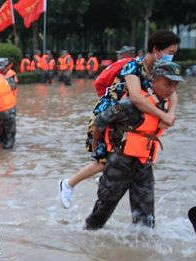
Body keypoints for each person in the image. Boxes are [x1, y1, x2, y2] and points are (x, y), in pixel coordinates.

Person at [59, 31, 180, 209]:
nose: (171, 57)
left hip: (126, 122)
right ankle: (68, 184)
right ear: (156, 49)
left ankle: (103, 178)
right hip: (108, 116)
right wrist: (163, 115)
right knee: (103, 160)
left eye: (174, 54)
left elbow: (173, 93)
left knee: (124, 156)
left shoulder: (157, 70)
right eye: (170, 53)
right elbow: (136, 98)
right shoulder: (133, 67)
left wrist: (171, 114)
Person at [85, 62, 181, 230]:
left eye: (175, 85)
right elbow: (100, 122)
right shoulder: (130, 105)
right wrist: (96, 149)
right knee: (102, 212)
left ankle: (141, 244)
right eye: (167, 84)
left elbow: (171, 106)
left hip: (144, 164)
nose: (171, 89)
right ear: (154, 81)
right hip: (119, 164)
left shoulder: (163, 106)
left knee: (146, 219)